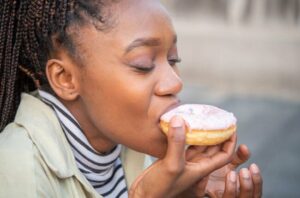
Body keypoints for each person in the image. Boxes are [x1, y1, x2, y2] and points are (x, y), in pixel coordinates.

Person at [0, 0, 262, 197]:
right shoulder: (18, 169)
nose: (175, 82)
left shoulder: (134, 146)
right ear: (65, 78)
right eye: (143, 65)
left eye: (173, 60)